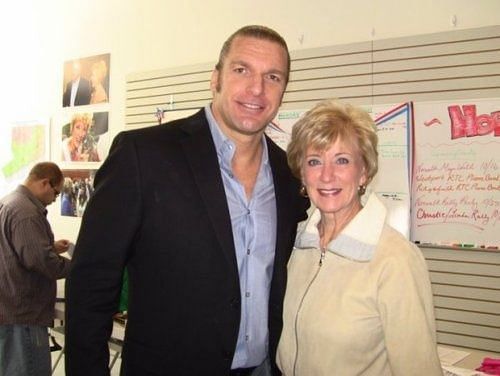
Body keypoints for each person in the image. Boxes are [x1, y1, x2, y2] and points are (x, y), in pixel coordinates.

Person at [65, 25, 309, 376]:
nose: (257, 88)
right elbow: (90, 284)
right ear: (216, 78)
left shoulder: (289, 177)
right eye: (242, 70)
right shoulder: (143, 155)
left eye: (273, 76)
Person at [276, 99, 443, 375]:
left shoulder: (394, 260)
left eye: (342, 160)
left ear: (364, 171)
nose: (327, 176)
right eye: (314, 161)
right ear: (302, 174)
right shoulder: (295, 245)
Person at [0, 162, 72, 376]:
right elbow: (42, 263)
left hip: (10, 308)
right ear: (44, 183)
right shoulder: (27, 213)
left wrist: (51, 248)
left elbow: (17, 252)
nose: (54, 199)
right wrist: (78, 266)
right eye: (56, 193)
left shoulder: (10, 202)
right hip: (25, 316)